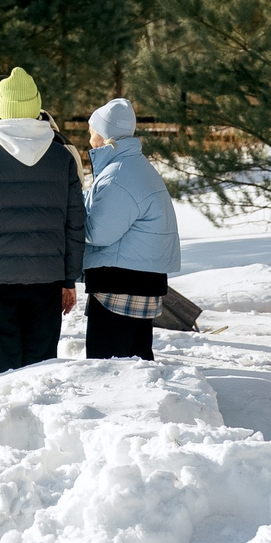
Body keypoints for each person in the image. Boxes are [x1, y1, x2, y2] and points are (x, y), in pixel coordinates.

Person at [0, 67, 85, 373]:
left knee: (1, 367)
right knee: (41, 367)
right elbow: (75, 224)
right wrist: (69, 278)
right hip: (47, 277)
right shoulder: (61, 157)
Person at [79, 98, 179, 362]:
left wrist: (72, 212)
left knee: (109, 367)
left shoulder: (118, 174)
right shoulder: (133, 167)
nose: (89, 137)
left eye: (91, 129)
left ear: (103, 133)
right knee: (136, 363)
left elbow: (98, 233)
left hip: (119, 287)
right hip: (140, 282)